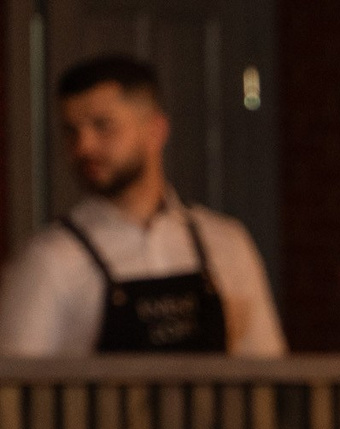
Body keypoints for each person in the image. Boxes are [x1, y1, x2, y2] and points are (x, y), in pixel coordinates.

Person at [0, 54, 285, 356]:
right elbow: (15, 381)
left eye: (103, 125)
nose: (84, 146)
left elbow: (266, 369)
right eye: (71, 131)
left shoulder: (227, 244)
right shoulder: (49, 259)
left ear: (155, 130)